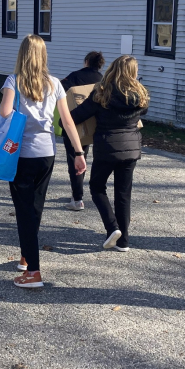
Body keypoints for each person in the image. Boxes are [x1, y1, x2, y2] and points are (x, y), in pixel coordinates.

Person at [0, 34, 87, 289]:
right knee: (35, 207)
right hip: (47, 153)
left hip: (21, 153)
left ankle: (33, 272)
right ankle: (27, 255)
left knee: (24, 210)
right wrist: (79, 153)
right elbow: (67, 121)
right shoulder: (54, 83)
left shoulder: (13, 81)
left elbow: (5, 113)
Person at [69, 55, 148, 252]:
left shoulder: (102, 93)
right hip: (131, 149)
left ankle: (112, 227)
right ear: (133, 73)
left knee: (97, 187)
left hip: (107, 148)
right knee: (123, 193)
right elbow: (143, 112)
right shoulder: (140, 95)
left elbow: (75, 117)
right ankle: (124, 241)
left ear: (113, 69)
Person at [60, 51, 105, 211]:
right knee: (86, 157)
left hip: (76, 122)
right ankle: (83, 192)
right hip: (95, 124)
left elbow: (58, 89)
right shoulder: (102, 80)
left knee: (75, 159)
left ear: (86, 61)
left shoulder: (75, 76)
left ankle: (77, 198)